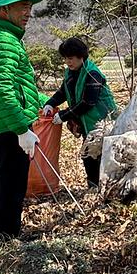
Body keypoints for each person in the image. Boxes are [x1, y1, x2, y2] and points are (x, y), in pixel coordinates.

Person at [0, 0, 46, 242]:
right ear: (4, 10)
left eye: (29, 6)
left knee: (4, 179)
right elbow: (2, 90)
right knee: (13, 183)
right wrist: (21, 129)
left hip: (3, 122)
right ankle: (7, 238)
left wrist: (42, 101)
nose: (28, 12)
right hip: (9, 125)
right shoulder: (2, 41)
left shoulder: (2, 37)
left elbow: (17, 84)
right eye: (22, 7)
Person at [42, 37, 118, 188]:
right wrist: (50, 103)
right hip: (87, 122)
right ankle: (95, 187)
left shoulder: (92, 74)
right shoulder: (71, 72)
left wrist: (63, 115)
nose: (67, 62)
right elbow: (63, 91)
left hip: (103, 122)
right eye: (65, 58)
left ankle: (102, 187)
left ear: (80, 57)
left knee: (99, 156)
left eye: (70, 58)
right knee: (90, 156)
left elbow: (88, 102)